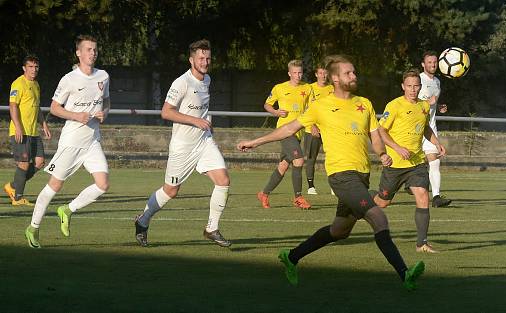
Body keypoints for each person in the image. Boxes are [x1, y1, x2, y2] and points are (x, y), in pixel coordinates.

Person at [237, 55, 425, 291]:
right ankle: (405, 274)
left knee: (340, 230)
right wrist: (256, 141)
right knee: (378, 217)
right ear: (335, 78)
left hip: (361, 175)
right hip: (341, 175)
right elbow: (289, 128)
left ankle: (291, 257)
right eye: (349, 73)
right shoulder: (320, 105)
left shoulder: (364, 103)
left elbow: (375, 136)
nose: (354, 76)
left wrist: (383, 154)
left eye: (354, 72)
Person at [133, 39, 232, 248]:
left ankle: (211, 228)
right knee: (171, 191)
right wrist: (196, 120)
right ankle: (143, 220)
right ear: (191, 60)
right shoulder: (182, 82)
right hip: (183, 146)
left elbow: (200, 109)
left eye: (208, 58)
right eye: (201, 58)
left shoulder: (207, 80)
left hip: (203, 142)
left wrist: (206, 123)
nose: (205, 62)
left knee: (223, 180)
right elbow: (166, 112)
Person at [24, 35, 111, 248]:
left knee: (103, 184)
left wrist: (104, 113)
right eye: (88, 49)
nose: (92, 53)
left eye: (95, 50)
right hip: (71, 142)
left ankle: (68, 209)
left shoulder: (103, 76)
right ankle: (33, 227)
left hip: (92, 141)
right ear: (79, 53)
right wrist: (76, 115)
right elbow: (54, 107)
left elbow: (106, 101)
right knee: (55, 185)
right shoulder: (69, 79)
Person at [373, 69, 446, 253]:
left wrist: (437, 143)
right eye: (409, 86)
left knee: (422, 196)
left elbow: (425, 128)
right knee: (382, 202)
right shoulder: (394, 105)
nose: (413, 89)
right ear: (403, 87)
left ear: (420, 87)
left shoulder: (423, 106)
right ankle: (363, 199)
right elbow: (382, 131)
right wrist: (397, 148)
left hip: (417, 162)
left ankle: (421, 243)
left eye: (416, 86)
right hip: (396, 164)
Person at [258, 60, 312, 209]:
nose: (297, 75)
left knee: (282, 166)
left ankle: (264, 193)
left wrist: (313, 124)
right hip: (285, 131)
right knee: (299, 160)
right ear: (289, 73)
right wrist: (276, 112)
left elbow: (313, 108)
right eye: (294, 73)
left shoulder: (307, 88)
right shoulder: (279, 88)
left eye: (300, 72)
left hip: (298, 132)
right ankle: (298, 197)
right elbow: (267, 104)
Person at [5, 55, 51, 206]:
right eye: (30, 66)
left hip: (33, 132)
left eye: (36, 67)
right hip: (21, 131)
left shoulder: (36, 85)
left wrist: (44, 124)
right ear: (24, 68)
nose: (34, 69)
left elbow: (37, 108)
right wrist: (18, 126)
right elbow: (13, 106)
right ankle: (17, 198)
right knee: (24, 164)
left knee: (39, 162)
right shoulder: (18, 83)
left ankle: (12, 186)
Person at [419, 50, 452, 207]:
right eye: (429, 62)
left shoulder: (437, 82)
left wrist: (439, 107)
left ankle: (437, 197)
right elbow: (410, 101)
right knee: (405, 162)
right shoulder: (418, 79)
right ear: (423, 64)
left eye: (434, 62)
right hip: (414, 127)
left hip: (430, 126)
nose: (432, 64)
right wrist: (427, 103)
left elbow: (432, 103)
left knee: (434, 160)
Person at [304, 64, 333, 195]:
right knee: (311, 158)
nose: (323, 76)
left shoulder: (332, 88)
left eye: (325, 73)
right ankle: (311, 186)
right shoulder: (309, 88)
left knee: (333, 157)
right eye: (320, 73)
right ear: (316, 74)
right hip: (313, 129)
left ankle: (334, 186)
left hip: (329, 129)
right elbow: (306, 109)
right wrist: (312, 125)